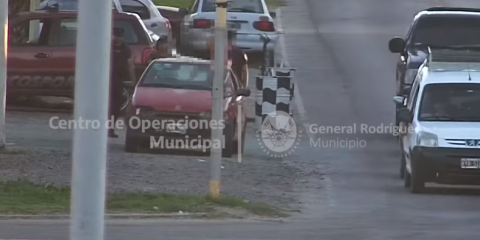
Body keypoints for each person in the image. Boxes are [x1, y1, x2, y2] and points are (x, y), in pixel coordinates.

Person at [109, 27, 135, 138]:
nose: (117, 38)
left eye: (120, 36)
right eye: (116, 35)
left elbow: (130, 65)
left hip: (118, 79)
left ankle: (110, 129)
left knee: (116, 106)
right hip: (105, 79)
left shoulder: (126, 49)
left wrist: (133, 80)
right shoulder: (107, 46)